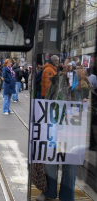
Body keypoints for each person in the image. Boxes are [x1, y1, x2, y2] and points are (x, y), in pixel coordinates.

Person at [37, 58, 78, 201]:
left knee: (70, 159)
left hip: (73, 123)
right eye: (66, 64)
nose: (68, 67)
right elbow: (48, 98)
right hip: (55, 121)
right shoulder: (57, 79)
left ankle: (66, 196)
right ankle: (50, 191)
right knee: (51, 156)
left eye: (71, 65)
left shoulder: (81, 81)